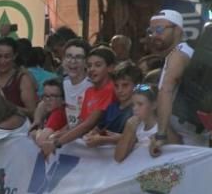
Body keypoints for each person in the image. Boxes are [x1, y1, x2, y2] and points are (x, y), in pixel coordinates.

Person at [41, 45, 116, 158]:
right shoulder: (90, 91)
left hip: (108, 149)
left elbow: (88, 124)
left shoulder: (110, 89)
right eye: (89, 65)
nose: (92, 69)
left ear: (110, 68)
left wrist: (57, 143)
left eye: (98, 65)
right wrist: (58, 135)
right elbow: (80, 122)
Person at [149, 9, 205, 147]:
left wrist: (161, 135)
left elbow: (166, 91)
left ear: (178, 30)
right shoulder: (177, 53)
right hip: (182, 130)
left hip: (185, 132)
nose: (155, 35)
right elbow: (159, 89)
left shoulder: (179, 53)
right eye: (151, 30)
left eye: (160, 29)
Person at [84, 61, 142, 148]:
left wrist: (105, 140)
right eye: (116, 85)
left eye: (125, 85)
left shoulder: (140, 111)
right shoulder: (111, 107)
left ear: (137, 85)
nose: (120, 90)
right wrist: (92, 133)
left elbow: (140, 139)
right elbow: (99, 127)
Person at [0, 38, 38, 118]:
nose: (2, 61)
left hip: (14, 127)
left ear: (14, 56)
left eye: (7, 57)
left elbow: (32, 112)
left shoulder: (22, 79)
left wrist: (4, 101)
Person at [114, 84, 161, 162]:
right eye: (133, 105)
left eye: (140, 104)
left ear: (154, 105)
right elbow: (118, 157)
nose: (135, 108)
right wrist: (128, 129)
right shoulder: (137, 126)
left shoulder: (161, 127)